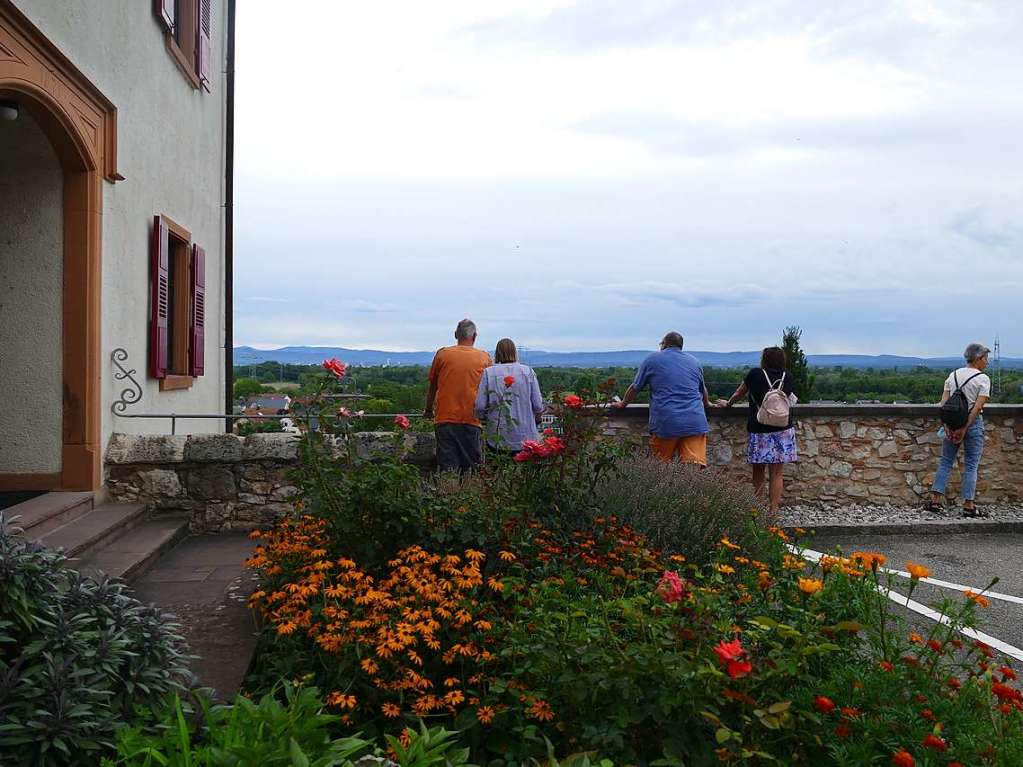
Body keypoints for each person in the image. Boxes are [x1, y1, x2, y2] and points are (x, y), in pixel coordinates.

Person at [612, 331, 713, 465]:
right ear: (680, 346)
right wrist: (708, 404)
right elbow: (702, 389)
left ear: (664, 344)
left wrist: (623, 403)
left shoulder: (652, 360)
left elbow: (636, 387)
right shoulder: (695, 362)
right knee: (693, 469)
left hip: (666, 422)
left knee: (661, 470)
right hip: (694, 421)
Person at [719, 347, 798, 514]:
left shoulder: (755, 374)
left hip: (760, 429)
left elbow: (739, 393)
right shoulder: (788, 377)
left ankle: (758, 509)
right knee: (777, 472)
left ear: (764, 359)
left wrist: (728, 404)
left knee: (758, 471)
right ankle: (774, 510)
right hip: (783, 429)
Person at [926, 343, 991, 517]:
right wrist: (965, 427)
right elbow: (977, 407)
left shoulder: (952, 375)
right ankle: (969, 506)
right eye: (985, 358)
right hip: (973, 424)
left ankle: (935, 502)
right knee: (971, 465)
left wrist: (948, 427)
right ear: (978, 358)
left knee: (946, 462)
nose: (987, 362)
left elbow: (943, 405)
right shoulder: (983, 379)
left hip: (951, 424)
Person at [424, 319, 492, 473]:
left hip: (445, 417)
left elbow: (433, 387)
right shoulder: (484, 358)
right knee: (472, 468)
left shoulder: (443, 355)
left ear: (456, 335)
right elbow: (489, 391)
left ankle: (448, 492)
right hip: (472, 419)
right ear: (474, 336)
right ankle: (470, 493)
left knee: (447, 468)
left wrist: (428, 410)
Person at [474, 338, 545, 452]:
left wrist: (483, 418)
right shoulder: (528, 372)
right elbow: (537, 405)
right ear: (515, 353)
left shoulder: (489, 373)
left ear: (497, 353)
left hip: (497, 437)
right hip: (526, 436)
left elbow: (480, 405)